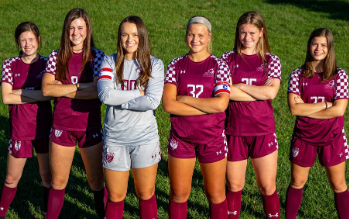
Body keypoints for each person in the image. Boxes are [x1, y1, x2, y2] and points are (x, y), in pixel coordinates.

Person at [162, 16, 231, 219]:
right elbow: (168, 104)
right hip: (181, 139)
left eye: (200, 35)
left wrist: (185, 99)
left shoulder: (220, 66)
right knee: (179, 194)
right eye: (191, 34)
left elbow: (221, 103)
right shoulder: (176, 64)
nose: (195, 39)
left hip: (212, 138)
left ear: (209, 37)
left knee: (216, 195)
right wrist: (207, 108)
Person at [97, 15, 164, 219]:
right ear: (119, 37)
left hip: (145, 138)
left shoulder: (155, 64)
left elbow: (152, 102)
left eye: (134, 34)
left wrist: (121, 101)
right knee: (116, 196)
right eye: (124, 34)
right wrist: (138, 93)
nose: (129, 39)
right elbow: (105, 95)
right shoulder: (108, 61)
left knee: (145, 193)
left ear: (142, 36)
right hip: (115, 138)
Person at [41, 8, 105, 219]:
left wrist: (65, 88)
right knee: (58, 182)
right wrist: (81, 88)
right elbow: (47, 90)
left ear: (87, 30)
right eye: (71, 28)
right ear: (65, 30)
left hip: (90, 126)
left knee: (96, 182)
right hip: (62, 126)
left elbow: (98, 92)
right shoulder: (55, 55)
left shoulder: (97, 57)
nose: (75, 33)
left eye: (80, 28)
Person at [221, 11, 282, 219]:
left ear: (262, 33)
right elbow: (225, 93)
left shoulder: (271, 60)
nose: (247, 38)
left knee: (267, 187)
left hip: (262, 131)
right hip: (234, 131)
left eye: (252, 33)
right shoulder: (227, 59)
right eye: (243, 33)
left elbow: (271, 92)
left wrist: (239, 86)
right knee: (234, 186)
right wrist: (257, 92)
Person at [286, 28, 349, 219]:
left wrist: (308, 108)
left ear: (329, 48)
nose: (318, 48)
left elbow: (339, 110)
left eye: (323, 45)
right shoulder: (297, 75)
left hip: (333, 137)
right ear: (309, 45)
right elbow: (294, 109)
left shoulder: (340, 76)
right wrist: (325, 105)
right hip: (304, 136)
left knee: (338, 184)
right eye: (314, 44)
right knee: (297, 181)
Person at [0, 22, 52, 218]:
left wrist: (20, 92)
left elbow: (50, 95)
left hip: (44, 126)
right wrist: (38, 93)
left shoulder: (48, 63)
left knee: (47, 177)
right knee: (12, 178)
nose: (27, 44)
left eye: (31, 39)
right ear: (17, 42)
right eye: (23, 40)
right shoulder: (9, 64)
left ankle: (48, 212)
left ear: (38, 40)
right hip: (20, 128)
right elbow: (6, 97)